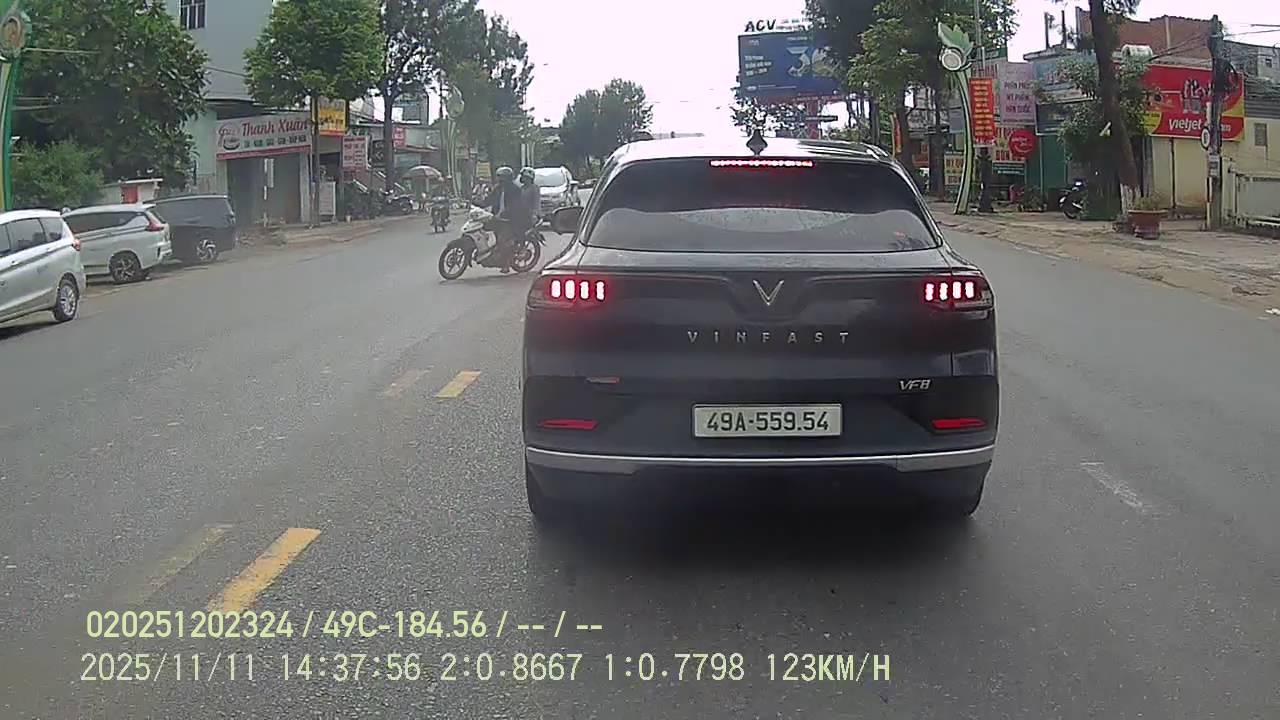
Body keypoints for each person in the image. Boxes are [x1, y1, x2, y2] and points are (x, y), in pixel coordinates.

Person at [485, 166, 524, 272]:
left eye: (502, 177)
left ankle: (506, 264)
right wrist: (477, 204)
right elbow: (489, 200)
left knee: (503, 241)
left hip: (510, 220)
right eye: (499, 177)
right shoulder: (497, 189)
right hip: (497, 218)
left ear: (508, 178)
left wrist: (506, 212)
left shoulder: (515, 190)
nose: (500, 180)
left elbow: (515, 205)